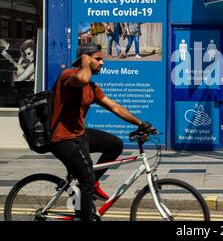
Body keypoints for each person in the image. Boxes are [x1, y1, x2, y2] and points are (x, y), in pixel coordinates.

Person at [49, 42, 155, 221]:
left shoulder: (92, 88)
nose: (102, 63)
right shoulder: (68, 77)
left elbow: (115, 107)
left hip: (79, 135)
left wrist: (140, 124)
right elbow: (81, 78)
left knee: (115, 144)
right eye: (98, 59)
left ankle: (91, 182)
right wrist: (83, 61)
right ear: (85, 59)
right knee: (85, 179)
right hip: (62, 138)